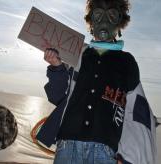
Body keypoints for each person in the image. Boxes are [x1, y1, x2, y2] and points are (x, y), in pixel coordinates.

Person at [36, 0, 157, 164]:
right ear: (90, 21)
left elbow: (137, 111)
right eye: (98, 14)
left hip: (105, 151)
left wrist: (129, 156)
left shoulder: (127, 62)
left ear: (120, 23)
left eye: (112, 15)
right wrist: (57, 68)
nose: (104, 21)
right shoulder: (77, 55)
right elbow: (57, 96)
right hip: (67, 145)